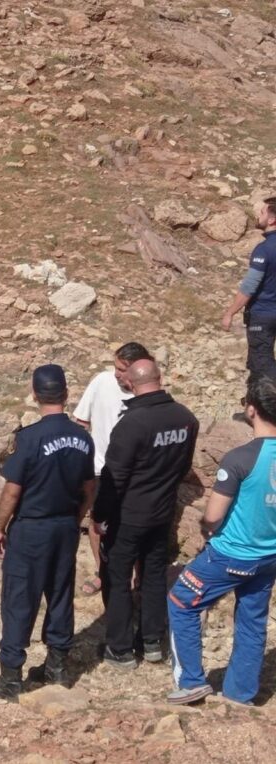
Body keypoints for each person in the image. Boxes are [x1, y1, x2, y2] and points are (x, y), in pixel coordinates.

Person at [0, 364, 96, 699]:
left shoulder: (28, 439)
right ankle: (57, 666)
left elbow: (12, 491)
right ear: (66, 393)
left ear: (35, 394)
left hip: (32, 528)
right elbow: (89, 488)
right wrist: (76, 518)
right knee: (60, 594)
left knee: (19, 599)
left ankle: (10, 676)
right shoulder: (82, 438)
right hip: (65, 526)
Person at [167, 376, 276, 705]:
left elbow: (213, 516)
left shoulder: (240, 458)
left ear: (251, 409)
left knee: (182, 601)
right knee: (252, 619)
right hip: (269, 555)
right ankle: (240, 693)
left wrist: (205, 529)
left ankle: (191, 682)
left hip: (231, 553)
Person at [93, 359, 198, 668]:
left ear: (130, 384)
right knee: (153, 575)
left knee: (117, 577)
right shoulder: (185, 418)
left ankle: (121, 649)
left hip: (128, 516)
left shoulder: (132, 424)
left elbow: (114, 479)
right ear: (160, 378)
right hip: (162, 511)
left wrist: (100, 516)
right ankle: (153, 641)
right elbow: (183, 466)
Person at [73, 342, 154, 596]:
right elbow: (81, 421)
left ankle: (138, 577)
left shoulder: (147, 393)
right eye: (116, 367)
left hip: (135, 473)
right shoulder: (101, 381)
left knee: (136, 527)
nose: (117, 374)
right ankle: (103, 573)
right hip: (100, 469)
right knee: (98, 524)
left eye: (123, 369)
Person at [221, 197, 276, 381]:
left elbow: (250, 285)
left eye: (262, 212)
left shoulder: (264, 249)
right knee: (257, 362)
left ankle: (267, 403)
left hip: (263, 313)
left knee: (262, 361)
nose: (258, 215)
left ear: (271, 220)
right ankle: (255, 399)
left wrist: (230, 312)